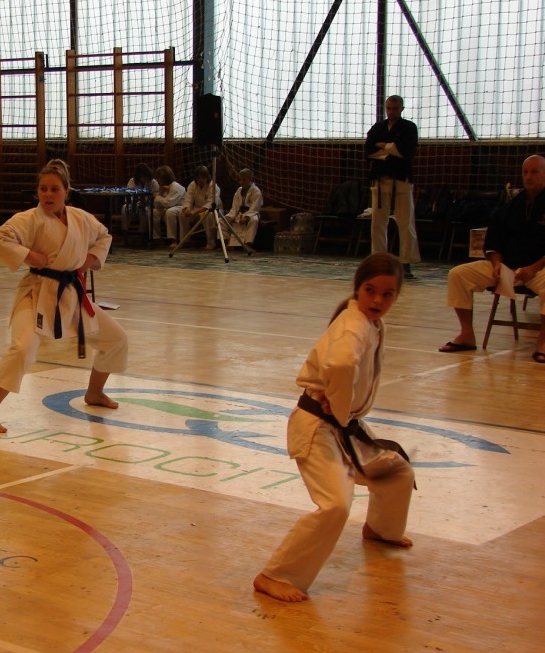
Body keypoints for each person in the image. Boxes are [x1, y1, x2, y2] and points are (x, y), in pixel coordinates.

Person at [253, 253, 415, 603]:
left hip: (342, 424)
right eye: (370, 291)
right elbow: (341, 365)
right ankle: (275, 575)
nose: (377, 301)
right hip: (317, 427)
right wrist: (340, 411)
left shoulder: (368, 322)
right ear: (358, 287)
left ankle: (381, 529)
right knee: (335, 506)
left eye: (387, 295)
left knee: (396, 471)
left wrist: (344, 415)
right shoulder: (352, 326)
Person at [0, 159, 129, 435]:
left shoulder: (81, 218)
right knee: (22, 348)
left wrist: (90, 260)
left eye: (54, 189)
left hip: (70, 294)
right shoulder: (29, 220)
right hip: (37, 292)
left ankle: (94, 393)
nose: (48, 195)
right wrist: (29, 255)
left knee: (116, 339)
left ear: (66, 192)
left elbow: (103, 236)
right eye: (43, 189)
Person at [439, 154, 545, 362]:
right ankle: (467, 334)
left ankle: (543, 341)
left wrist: (533, 268)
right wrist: (496, 265)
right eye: (525, 172)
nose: (528, 176)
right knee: (458, 274)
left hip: (538, 269)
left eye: (534, 172)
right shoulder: (512, 205)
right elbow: (494, 240)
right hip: (506, 268)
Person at [365, 95, 420, 279]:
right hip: (380, 180)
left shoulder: (409, 127)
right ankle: (379, 260)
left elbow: (406, 151)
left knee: (405, 222)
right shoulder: (378, 127)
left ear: (402, 109)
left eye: (395, 108)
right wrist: (390, 148)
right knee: (378, 223)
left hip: (401, 179)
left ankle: (406, 262)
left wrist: (383, 147)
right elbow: (368, 150)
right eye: (388, 108)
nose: (391, 111)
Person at [166, 165, 221, 250]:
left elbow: (210, 204)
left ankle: (211, 242)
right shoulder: (193, 185)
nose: (201, 180)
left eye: (203, 178)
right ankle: (185, 241)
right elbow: (188, 200)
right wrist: (187, 209)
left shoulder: (213, 186)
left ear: (207, 177)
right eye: (199, 178)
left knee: (208, 215)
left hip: (212, 210)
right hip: (197, 209)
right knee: (182, 214)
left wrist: (195, 211)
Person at [223, 168, 263, 249]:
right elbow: (235, 206)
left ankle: (248, 244)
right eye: (240, 180)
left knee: (254, 220)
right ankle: (227, 242)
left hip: (252, 213)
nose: (241, 182)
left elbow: (255, 208)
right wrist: (231, 216)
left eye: (244, 180)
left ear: (250, 179)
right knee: (222, 220)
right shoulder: (239, 190)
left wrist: (246, 217)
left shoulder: (256, 191)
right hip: (239, 213)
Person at [120, 163, 159, 235]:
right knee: (125, 207)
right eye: (142, 177)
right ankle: (124, 230)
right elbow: (128, 197)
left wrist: (145, 202)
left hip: (148, 205)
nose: (143, 179)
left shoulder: (153, 182)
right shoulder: (132, 181)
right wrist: (135, 202)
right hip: (134, 204)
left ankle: (142, 233)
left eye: (145, 176)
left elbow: (156, 197)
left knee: (145, 210)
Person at [151, 166, 186, 242]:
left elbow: (168, 203)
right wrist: (160, 193)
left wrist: (158, 198)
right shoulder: (162, 187)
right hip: (167, 207)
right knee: (152, 212)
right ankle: (156, 238)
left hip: (179, 207)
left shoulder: (176, 186)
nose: (158, 180)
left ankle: (172, 239)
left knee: (170, 212)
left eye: (159, 178)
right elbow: (156, 204)